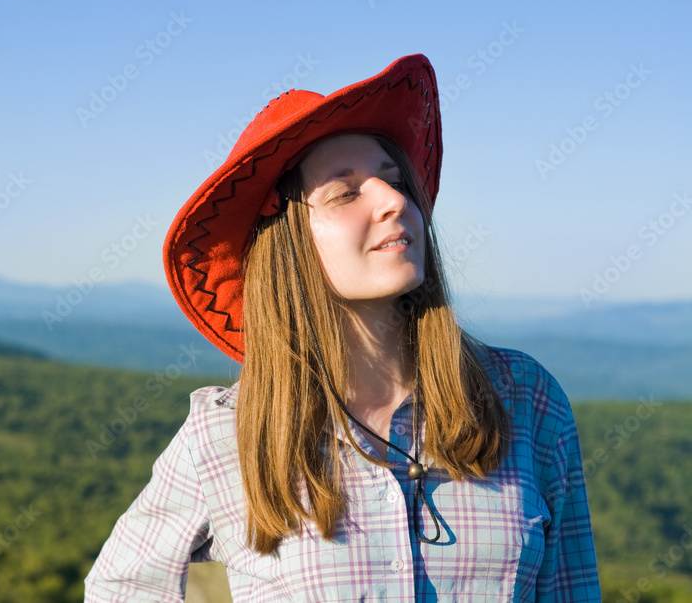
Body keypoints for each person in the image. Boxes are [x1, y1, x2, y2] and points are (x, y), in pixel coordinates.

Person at [84, 54, 601, 601]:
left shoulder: (524, 399)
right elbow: (121, 586)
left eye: (394, 178)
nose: (395, 200)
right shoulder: (226, 435)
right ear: (289, 244)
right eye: (346, 192)